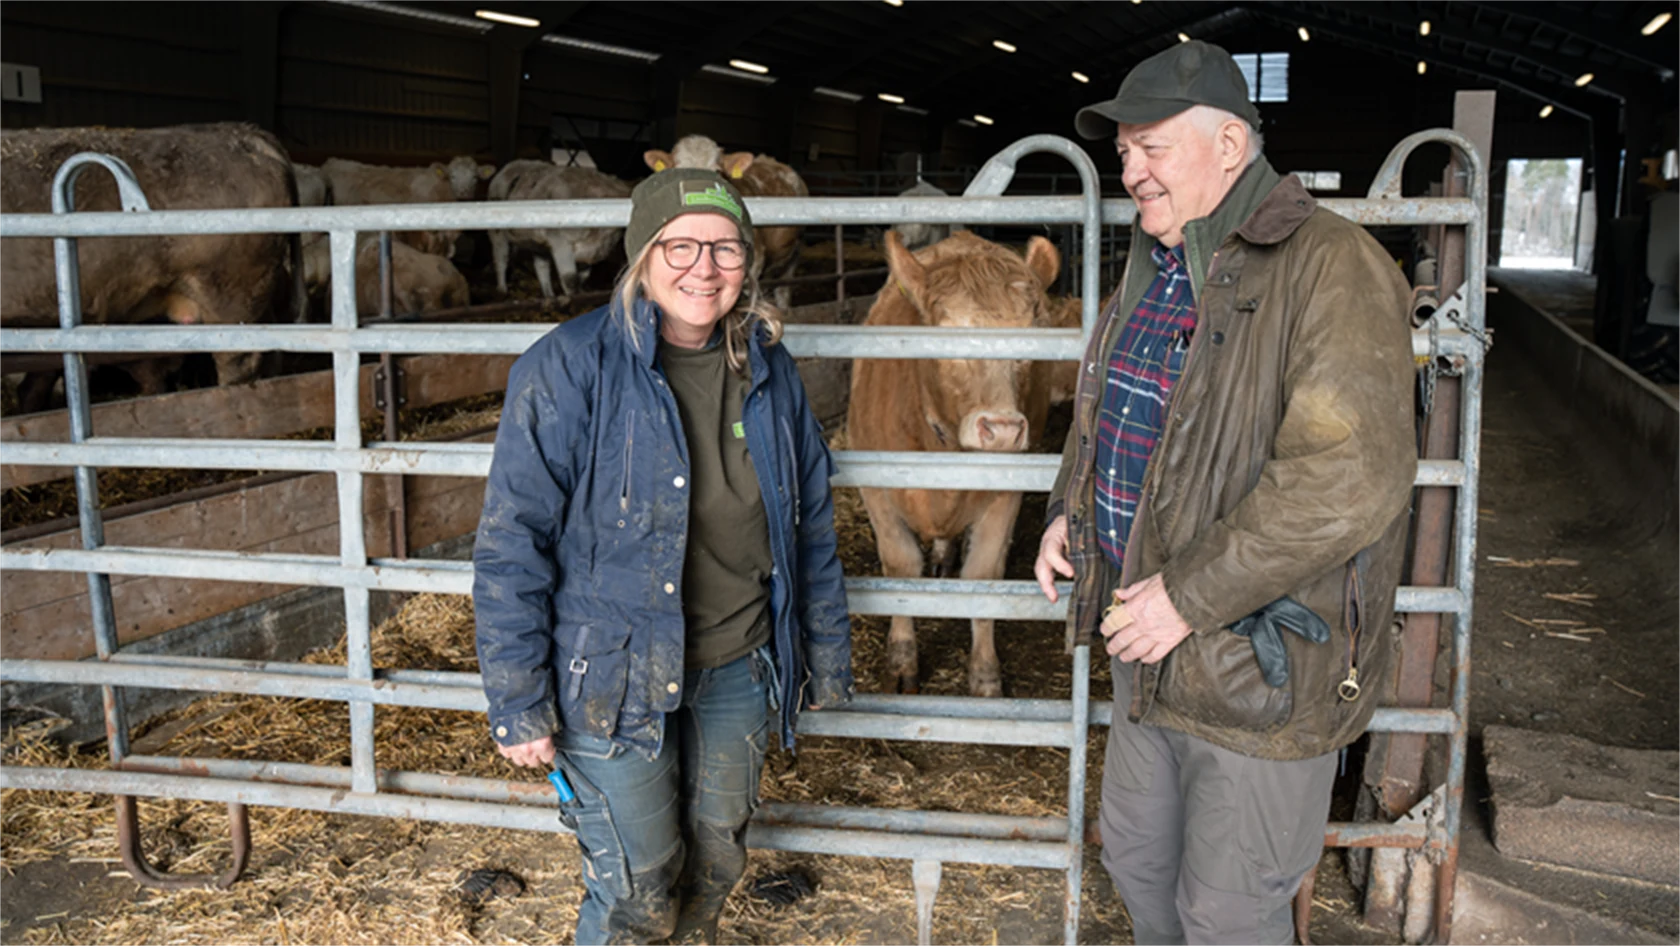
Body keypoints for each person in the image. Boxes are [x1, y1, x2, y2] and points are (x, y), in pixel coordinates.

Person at [1035, 41, 1418, 945]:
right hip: (1147, 647)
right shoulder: (1158, 264)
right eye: (1123, 152)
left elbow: (1344, 479)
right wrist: (1067, 512)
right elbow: (1108, 408)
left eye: (1152, 148)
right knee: (1137, 864)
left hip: (1259, 666)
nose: (1131, 171)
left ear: (1232, 145)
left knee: (1229, 911)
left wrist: (1186, 596)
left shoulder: (1334, 266)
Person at [473, 167, 853, 946]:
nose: (703, 269)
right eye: (680, 247)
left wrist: (821, 657)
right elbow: (513, 541)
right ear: (642, 255)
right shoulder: (567, 367)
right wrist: (517, 700)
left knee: (716, 861)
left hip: (738, 663)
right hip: (610, 677)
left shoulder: (770, 369)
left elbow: (810, 523)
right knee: (637, 887)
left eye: (725, 249)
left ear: (748, 261)